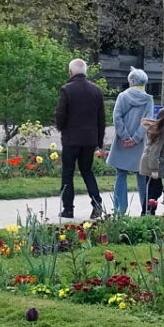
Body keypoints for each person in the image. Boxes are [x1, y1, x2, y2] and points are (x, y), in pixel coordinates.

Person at [54, 58, 106, 218]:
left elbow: (61, 114)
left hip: (71, 138)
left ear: (70, 72)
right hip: (89, 140)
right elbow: (101, 119)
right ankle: (97, 204)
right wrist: (99, 141)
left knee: (68, 173)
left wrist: (61, 127)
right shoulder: (96, 90)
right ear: (85, 72)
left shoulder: (66, 90)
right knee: (87, 171)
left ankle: (68, 209)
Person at [107, 69, 151, 215]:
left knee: (121, 174)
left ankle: (120, 209)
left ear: (131, 82)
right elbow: (147, 121)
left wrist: (125, 137)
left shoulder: (122, 96)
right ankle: (146, 208)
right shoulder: (148, 99)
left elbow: (117, 117)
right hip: (139, 143)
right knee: (142, 174)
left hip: (122, 142)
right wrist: (136, 138)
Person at [138, 106, 164, 214]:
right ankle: (147, 212)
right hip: (151, 166)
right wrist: (154, 170)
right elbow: (154, 152)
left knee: (154, 190)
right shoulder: (163, 134)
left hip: (153, 164)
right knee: (154, 190)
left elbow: (162, 151)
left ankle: (148, 211)